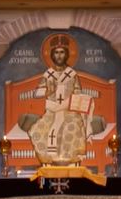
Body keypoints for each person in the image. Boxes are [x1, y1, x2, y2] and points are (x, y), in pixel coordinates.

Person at [26, 34, 92, 165]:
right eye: (56, 53)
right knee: (37, 130)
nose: (59, 55)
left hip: (69, 113)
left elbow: (78, 94)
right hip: (51, 112)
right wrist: (47, 91)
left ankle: (70, 164)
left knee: (71, 129)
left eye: (62, 52)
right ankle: (49, 164)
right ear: (52, 55)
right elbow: (36, 93)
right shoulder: (48, 74)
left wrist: (73, 103)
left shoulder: (72, 75)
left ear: (66, 55)